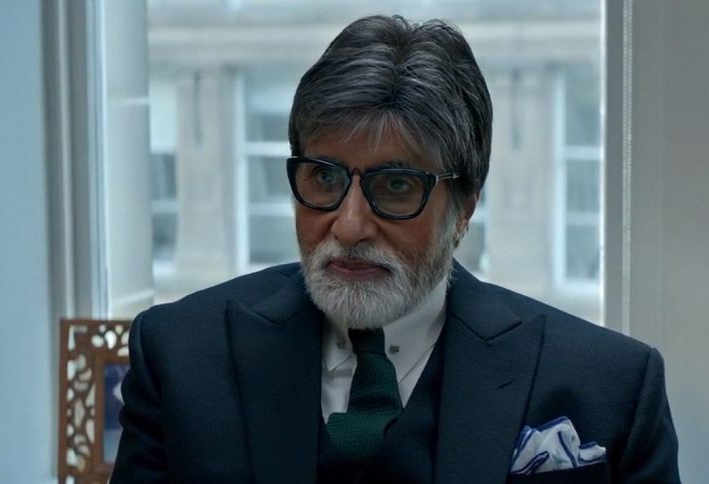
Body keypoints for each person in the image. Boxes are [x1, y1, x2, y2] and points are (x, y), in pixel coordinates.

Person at [110, 15, 679, 484]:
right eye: (324, 178)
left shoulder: (610, 388)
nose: (350, 225)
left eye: (397, 185)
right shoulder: (179, 356)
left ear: (465, 206)